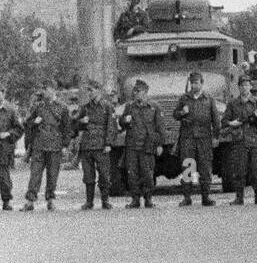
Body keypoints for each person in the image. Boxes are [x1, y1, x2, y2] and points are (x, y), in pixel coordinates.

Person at [22, 79, 71, 212]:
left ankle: (50, 200)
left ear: (53, 90)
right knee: (35, 173)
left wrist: (66, 146)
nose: (44, 91)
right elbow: (27, 123)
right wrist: (35, 122)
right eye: (43, 89)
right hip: (39, 144)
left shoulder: (63, 108)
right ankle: (30, 201)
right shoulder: (38, 106)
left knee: (53, 174)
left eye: (47, 89)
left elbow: (67, 128)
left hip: (55, 145)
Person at [174, 69, 220, 207]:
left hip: (204, 138)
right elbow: (175, 115)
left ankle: (205, 197)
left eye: (197, 83)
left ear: (202, 83)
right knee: (188, 167)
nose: (194, 86)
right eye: (192, 83)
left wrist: (216, 136)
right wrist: (183, 112)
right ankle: (187, 197)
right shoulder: (184, 98)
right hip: (188, 138)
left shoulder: (209, 99)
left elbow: (215, 119)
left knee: (205, 168)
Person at [223, 77, 257, 205]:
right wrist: (234, 123)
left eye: (247, 85)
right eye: (242, 85)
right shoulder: (233, 104)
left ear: (250, 86)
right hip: (240, 140)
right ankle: (239, 197)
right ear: (239, 87)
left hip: (255, 140)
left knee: (256, 170)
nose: (244, 88)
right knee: (239, 169)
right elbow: (224, 121)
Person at [119, 80, 163, 208]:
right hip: (132, 145)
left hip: (147, 145)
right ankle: (135, 199)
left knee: (148, 174)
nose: (136, 94)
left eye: (139, 91)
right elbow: (121, 124)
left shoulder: (154, 107)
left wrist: (160, 144)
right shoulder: (129, 107)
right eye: (135, 91)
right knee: (132, 174)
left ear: (145, 92)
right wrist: (124, 120)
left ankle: (148, 199)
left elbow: (160, 127)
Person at [75, 80, 115, 211]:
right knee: (88, 175)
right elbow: (75, 126)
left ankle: (105, 200)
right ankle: (89, 202)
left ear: (98, 91)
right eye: (88, 91)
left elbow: (111, 126)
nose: (89, 93)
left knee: (104, 174)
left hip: (101, 145)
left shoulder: (107, 107)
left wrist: (108, 143)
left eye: (91, 90)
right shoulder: (85, 108)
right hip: (87, 145)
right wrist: (81, 121)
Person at [0, 83, 23, 213]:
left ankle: (6, 201)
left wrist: (8, 134)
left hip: (4, 148)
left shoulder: (11, 110)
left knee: (3, 176)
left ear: (3, 94)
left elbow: (19, 129)